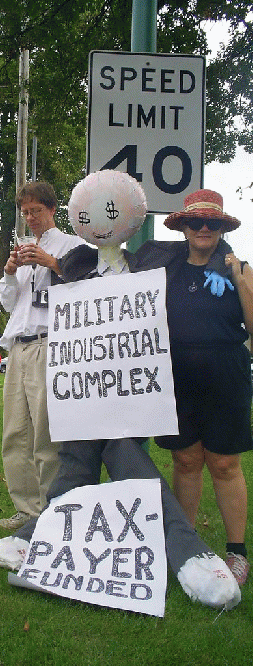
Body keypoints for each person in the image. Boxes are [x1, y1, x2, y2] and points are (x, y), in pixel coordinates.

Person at [0, 173, 242, 609]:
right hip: (85, 392)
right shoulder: (75, 261)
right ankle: (37, 537)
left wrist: (228, 261)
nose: (102, 223)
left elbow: (202, 248)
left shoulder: (154, 256)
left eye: (111, 213)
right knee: (79, 462)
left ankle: (187, 552)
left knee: (121, 452)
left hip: (130, 394)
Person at [153, 189, 253, 586]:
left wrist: (240, 281)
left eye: (213, 222)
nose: (204, 229)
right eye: (196, 222)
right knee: (186, 460)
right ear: (184, 227)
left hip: (226, 372)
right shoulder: (166, 269)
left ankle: (237, 552)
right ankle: (186, 545)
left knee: (225, 464)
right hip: (177, 376)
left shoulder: (241, 268)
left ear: (223, 227)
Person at [0, 181, 85, 530]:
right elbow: (8, 303)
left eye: (36, 211)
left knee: (46, 434)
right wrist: (9, 273)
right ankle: (26, 509)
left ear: (51, 209)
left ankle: (52, 511)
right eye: (25, 212)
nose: (30, 218)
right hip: (18, 345)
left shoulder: (72, 246)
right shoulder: (22, 248)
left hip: (51, 343)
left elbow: (85, 284)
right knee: (15, 432)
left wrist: (53, 263)